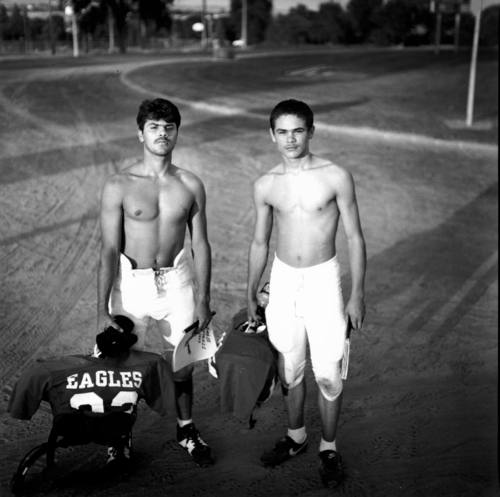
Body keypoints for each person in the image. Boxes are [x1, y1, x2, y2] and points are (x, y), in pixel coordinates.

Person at [246, 99, 366, 486]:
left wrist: (356, 294)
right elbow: (260, 242)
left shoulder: (336, 176)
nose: (290, 138)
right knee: (291, 369)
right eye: (282, 131)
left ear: (311, 132)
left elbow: (354, 237)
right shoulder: (265, 184)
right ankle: (296, 436)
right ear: (271, 135)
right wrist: (251, 291)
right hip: (283, 282)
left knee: (329, 373)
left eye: (298, 130)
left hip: (322, 281)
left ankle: (328, 448)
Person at [97, 98, 214, 467]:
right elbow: (109, 248)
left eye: (169, 127)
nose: (162, 133)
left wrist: (203, 299)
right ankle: (119, 437)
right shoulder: (119, 184)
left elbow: (202, 244)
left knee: (182, 363)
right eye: (154, 127)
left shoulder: (191, 184)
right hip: (131, 285)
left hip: (177, 283)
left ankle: (186, 429)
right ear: (140, 133)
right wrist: (102, 309)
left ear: (177, 132)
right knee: (119, 363)